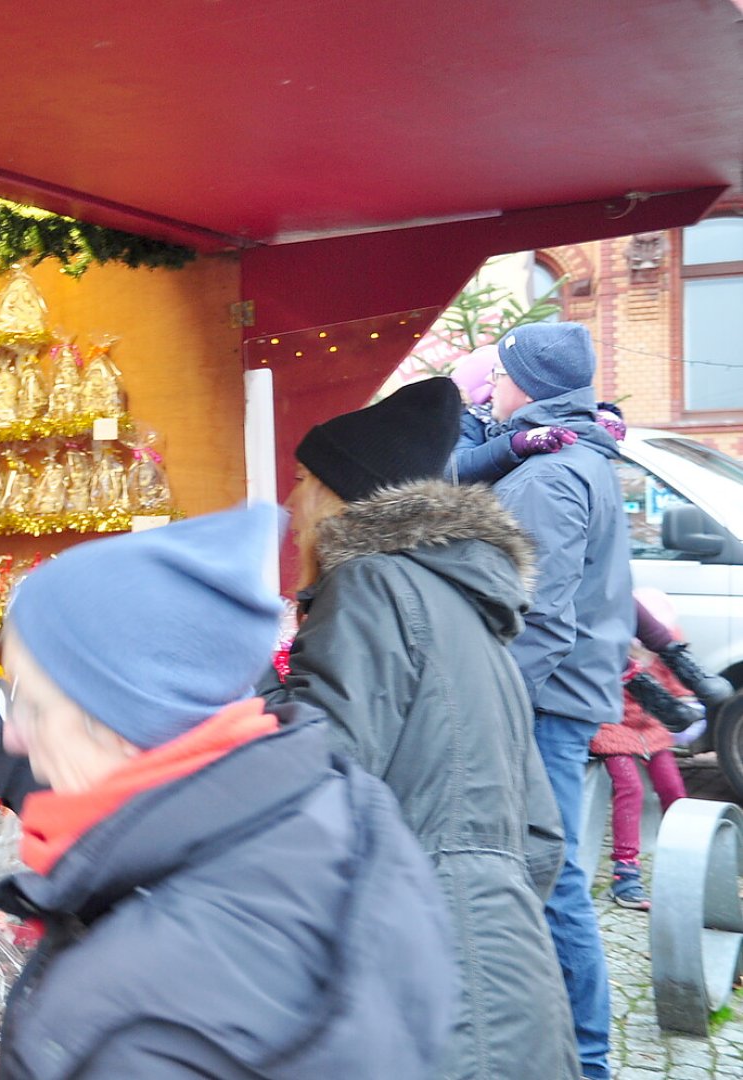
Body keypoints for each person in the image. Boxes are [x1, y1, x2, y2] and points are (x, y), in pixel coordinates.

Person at [0, 504, 459, 1079]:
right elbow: (99, 787)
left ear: (120, 725)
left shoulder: (131, 1015)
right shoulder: (314, 801)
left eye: (32, 703)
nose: (16, 736)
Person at [262, 377, 576, 1080]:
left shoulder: (372, 584)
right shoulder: (463, 610)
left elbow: (313, 777)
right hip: (504, 976)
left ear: (341, 497)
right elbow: (541, 840)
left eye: (302, 479)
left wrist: (245, 674)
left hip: (433, 988)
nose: (289, 502)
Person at [478, 322, 635, 1080]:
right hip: (565, 695)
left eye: (501, 374)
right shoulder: (585, 456)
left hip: (544, 703)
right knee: (554, 869)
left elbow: (538, 616)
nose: (492, 387)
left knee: (555, 877)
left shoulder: (546, 475)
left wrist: (493, 710)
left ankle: (585, 1057)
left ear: (527, 384)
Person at [591, 594, 712, 911]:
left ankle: (687, 854)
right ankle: (625, 872)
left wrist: (688, 708)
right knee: (629, 788)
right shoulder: (610, 653)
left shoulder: (663, 653)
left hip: (653, 730)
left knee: (673, 788)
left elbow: (679, 690)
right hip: (613, 729)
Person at [448, 341, 577, 484]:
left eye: (497, 375)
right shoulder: (466, 424)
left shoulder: (497, 420)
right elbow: (455, 469)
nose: (492, 381)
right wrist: (513, 444)